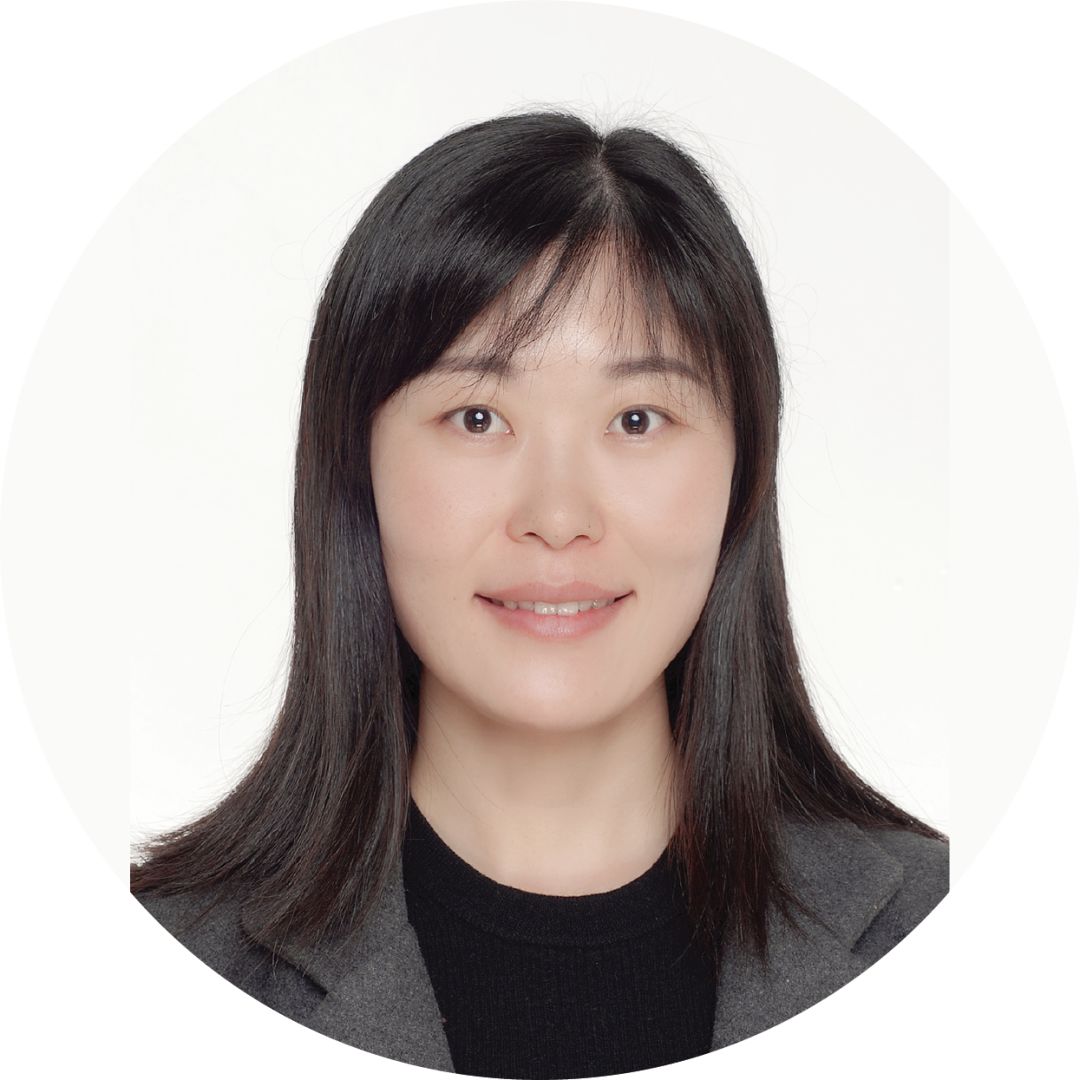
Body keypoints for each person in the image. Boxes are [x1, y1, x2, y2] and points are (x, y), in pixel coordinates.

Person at [131, 109, 948, 1079]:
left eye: (637, 419)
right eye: (478, 417)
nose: (559, 517)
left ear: (744, 470)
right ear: (356, 465)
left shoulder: (949, 936)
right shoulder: (154, 971)